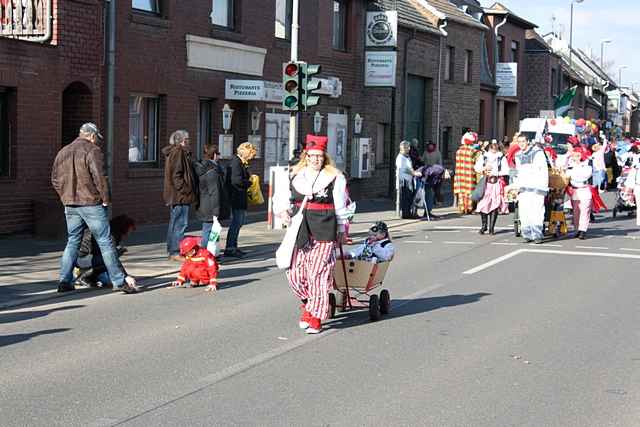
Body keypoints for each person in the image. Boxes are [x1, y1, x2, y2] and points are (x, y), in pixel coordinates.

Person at [51, 123, 138, 293]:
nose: (97, 141)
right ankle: (119, 281)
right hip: (91, 202)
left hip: (70, 203)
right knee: (104, 241)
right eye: (97, 137)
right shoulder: (92, 150)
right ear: (91, 136)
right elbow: (100, 177)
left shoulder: (63, 152)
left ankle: (64, 280)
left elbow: (54, 178)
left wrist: (64, 196)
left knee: (72, 241)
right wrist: (105, 199)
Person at [276, 134, 349, 334]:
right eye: (312, 156)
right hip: (300, 228)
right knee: (295, 273)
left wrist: (342, 229)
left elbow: (341, 205)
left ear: (324, 157)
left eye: (319, 156)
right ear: (306, 156)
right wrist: (282, 211)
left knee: (317, 273)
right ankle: (309, 303)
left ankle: (316, 316)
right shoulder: (295, 175)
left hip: (324, 227)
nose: (316, 159)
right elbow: (282, 197)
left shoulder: (335, 177)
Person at [75, 214, 137, 288]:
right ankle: (84, 277)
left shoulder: (111, 230)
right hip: (82, 258)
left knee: (112, 257)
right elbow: (111, 257)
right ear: (125, 227)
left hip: (86, 257)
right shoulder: (110, 234)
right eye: (131, 229)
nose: (130, 233)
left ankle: (90, 276)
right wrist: (125, 276)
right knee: (109, 258)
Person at [163, 130, 196, 262]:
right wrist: (185, 190)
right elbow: (177, 175)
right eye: (187, 139)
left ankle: (172, 250)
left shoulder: (176, 152)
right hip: (180, 195)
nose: (189, 141)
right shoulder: (178, 152)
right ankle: (175, 251)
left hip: (177, 195)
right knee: (180, 223)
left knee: (175, 222)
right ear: (182, 140)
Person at [513, 135, 548, 244]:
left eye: (523, 141)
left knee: (537, 211)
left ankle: (537, 234)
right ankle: (527, 234)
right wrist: (515, 186)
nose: (521, 143)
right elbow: (517, 172)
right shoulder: (517, 155)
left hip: (537, 187)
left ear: (528, 141)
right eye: (519, 142)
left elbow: (543, 170)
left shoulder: (538, 153)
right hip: (524, 188)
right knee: (524, 212)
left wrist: (543, 186)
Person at [224, 142, 257, 258]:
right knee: (236, 222)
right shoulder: (236, 162)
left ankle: (234, 246)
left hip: (239, 196)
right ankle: (230, 248)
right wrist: (249, 182)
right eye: (251, 154)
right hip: (236, 196)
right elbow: (236, 180)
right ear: (246, 152)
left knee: (239, 222)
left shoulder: (241, 163)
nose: (252, 157)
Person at [193, 143, 228, 250]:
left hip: (205, 204)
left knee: (211, 230)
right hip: (210, 206)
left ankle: (212, 252)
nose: (219, 156)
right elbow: (214, 192)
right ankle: (205, 253)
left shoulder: (206, 168)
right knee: (208, 230)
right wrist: (216, 211)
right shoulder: (212, 172)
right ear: (213, 155)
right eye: (218, 154)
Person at [475, 141, 509, 235]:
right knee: (482, 204)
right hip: (485, 183)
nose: (493, 149)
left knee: (495, 205)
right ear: (489, 147)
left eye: (495, 147)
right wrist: (484, 169)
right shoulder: (484, 156)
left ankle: (491, 228)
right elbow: (477, 167)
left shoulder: (501, 157)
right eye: (491, 147)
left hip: (496, 183)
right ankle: (484, 225)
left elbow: (506, 170)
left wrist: (496, 173)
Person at [566, 146, 594, 239]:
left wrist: (575, 171)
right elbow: (567, 175)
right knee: (576, 211)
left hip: (584, 189)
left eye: (578, 155)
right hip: (575, 190)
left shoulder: (587, 164)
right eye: (574, 156)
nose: (576, 158)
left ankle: (583, 230)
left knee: (585, 211)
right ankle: (577, 229)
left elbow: (585, 175)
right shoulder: (570, 165)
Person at [453, 132, 479, 214]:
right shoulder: (473, 151)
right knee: (469, 191)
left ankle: (462, 208)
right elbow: (477, 162)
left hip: (460, 174)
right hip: (470, 174)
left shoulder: (458, 151)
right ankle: (469, 208)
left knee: (461, 192)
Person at [396, 141, 422, 219]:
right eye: (407, 147)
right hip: (404, 180)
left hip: (409, 180)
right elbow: (404, 169)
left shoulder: (407, 157)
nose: (409, 148)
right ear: (402, 148)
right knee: (406, 198)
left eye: (409, 147)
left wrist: (414, 172)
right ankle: (406, 214)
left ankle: (409, 213)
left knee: (409, 197)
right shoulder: (400, 158)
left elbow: (409, 167)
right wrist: (414, 173)